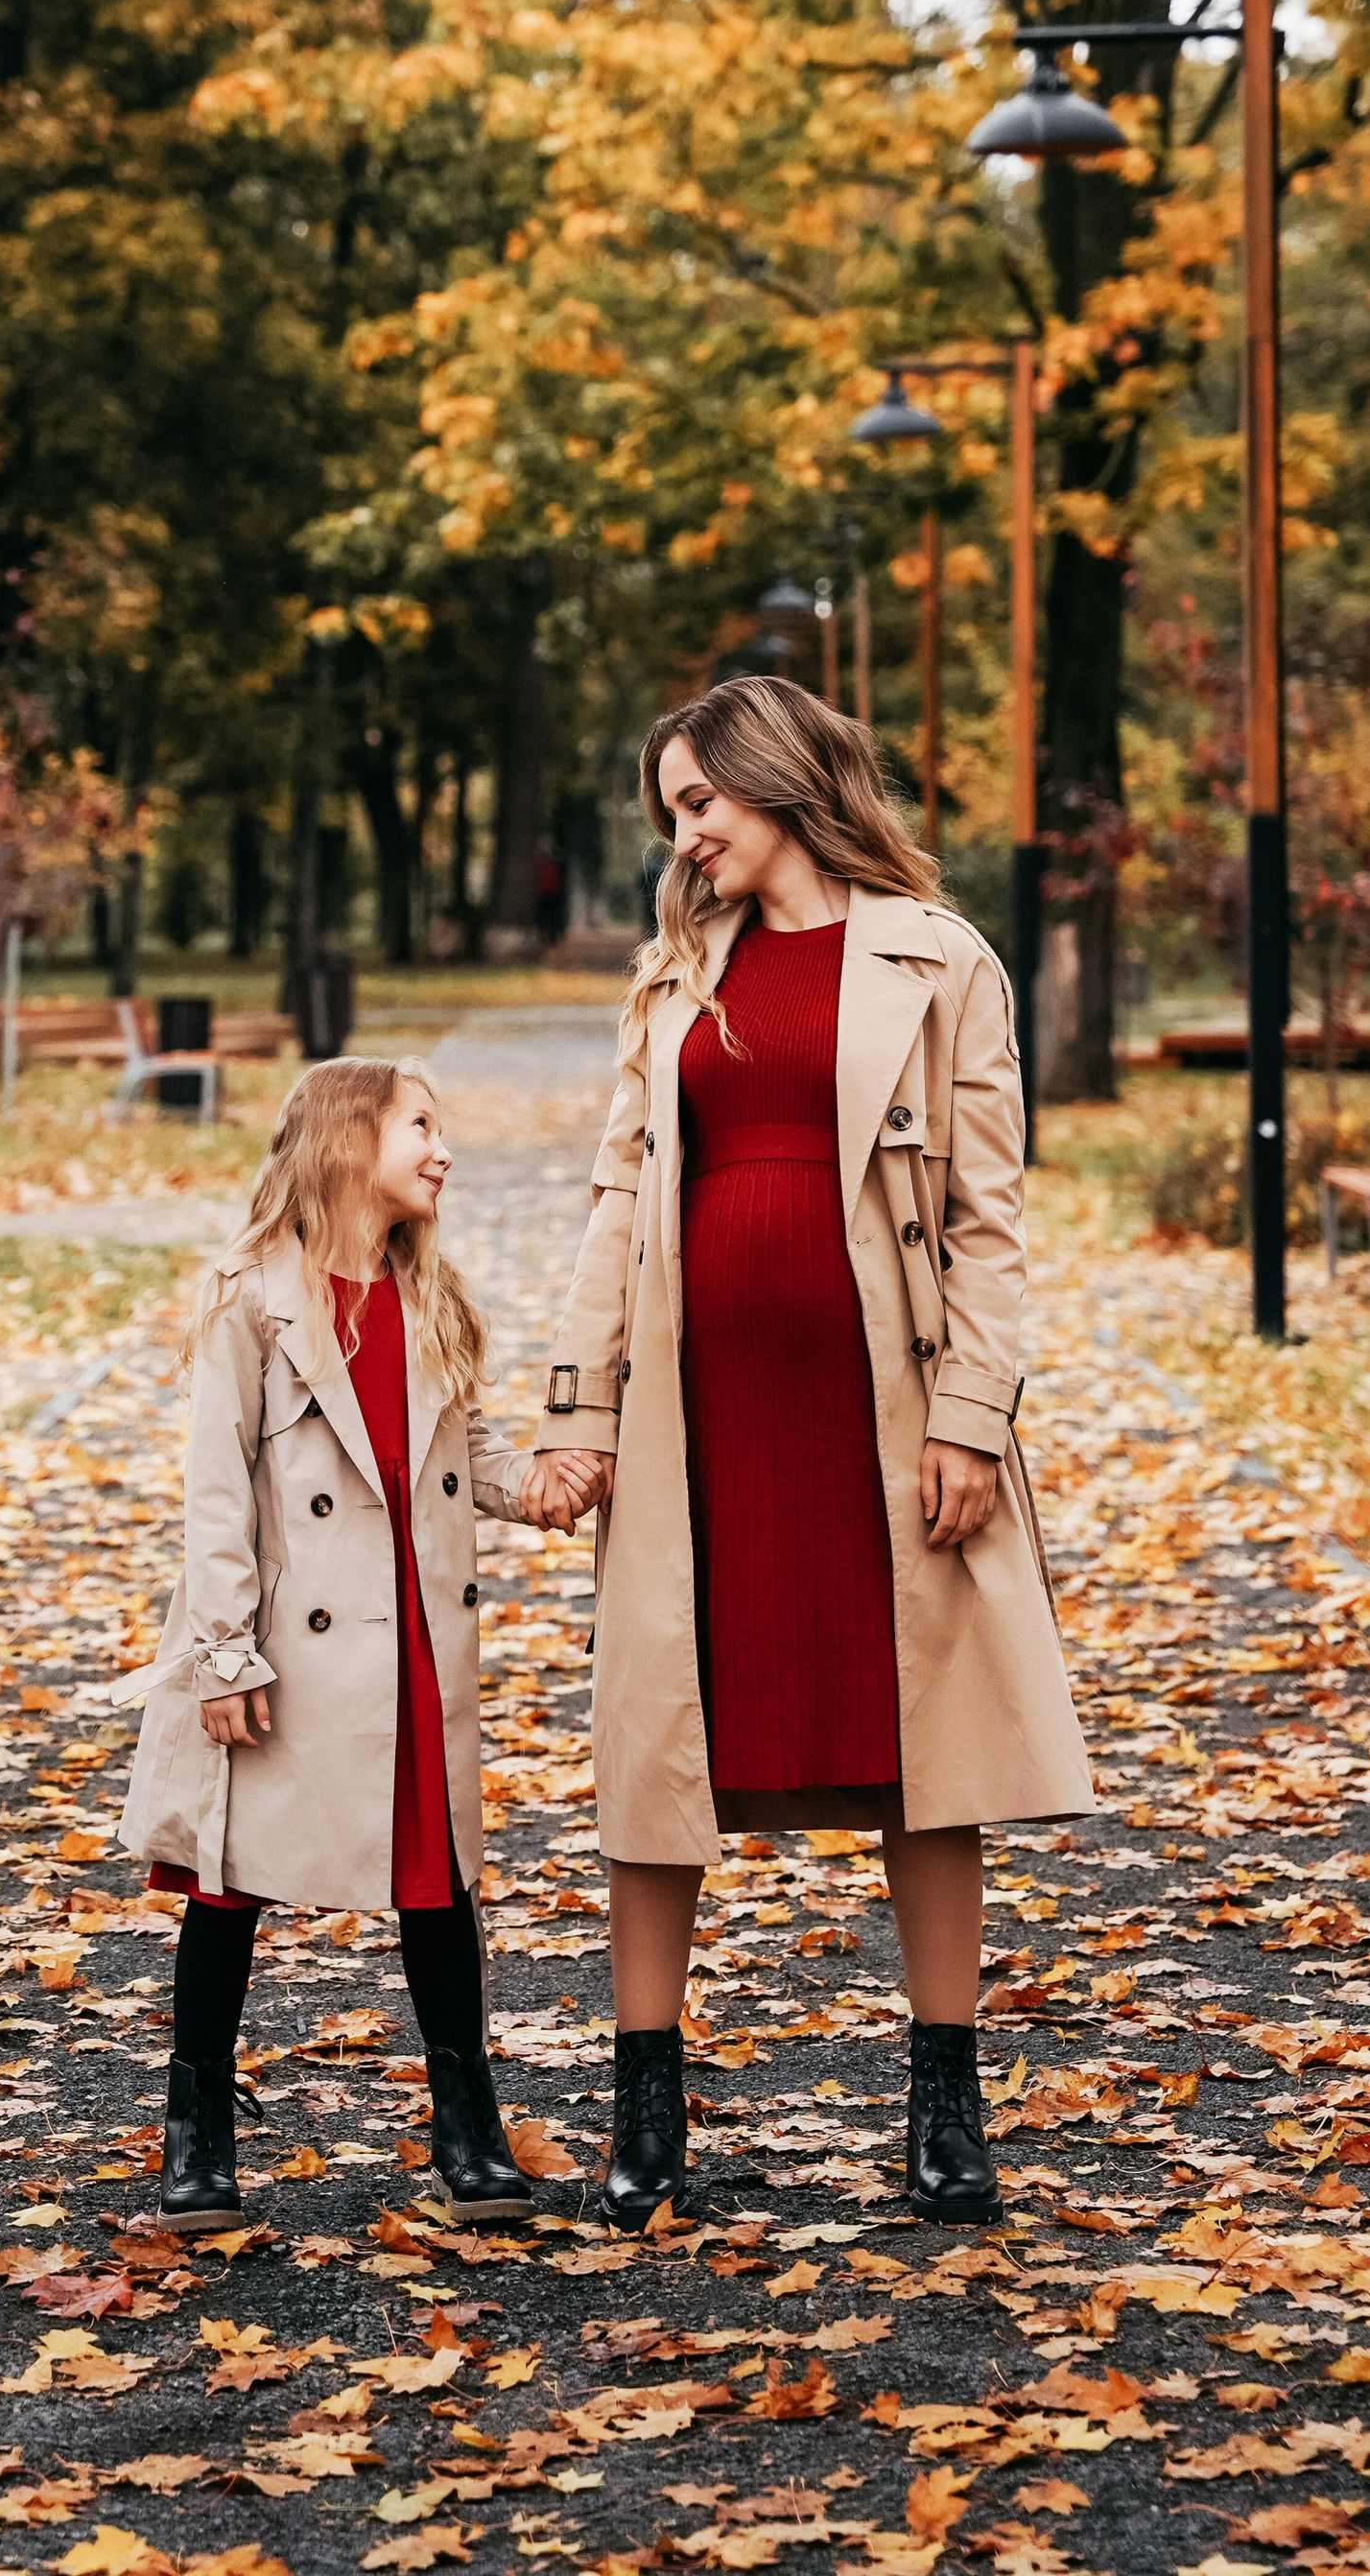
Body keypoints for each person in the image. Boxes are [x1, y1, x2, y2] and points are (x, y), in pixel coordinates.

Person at [541, 674, 1092, 2232]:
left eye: (702, 802)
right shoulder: (670, 980)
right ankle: (647, 2117)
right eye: (671, 812)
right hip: (696, 1418)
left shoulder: (939, 960)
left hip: (886, 1407)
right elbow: (610, 1205)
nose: (685, 833)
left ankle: (945, 2112)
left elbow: (991, 1222)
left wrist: (976, 1422)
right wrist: (579, 1416)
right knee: (659, 1755)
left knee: (928, 1757)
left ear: (780, 783)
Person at [119, 1057, 600, 2228]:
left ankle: (468, 2129)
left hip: (414, 1643)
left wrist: (538, 1483)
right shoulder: (251, 1296)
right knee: (228, 1886)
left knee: (438, 1887)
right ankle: (197, 2135)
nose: (443, 1151)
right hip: (288, 1642)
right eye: (421, 1127)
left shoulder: (423, 1296)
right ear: (347, 1143)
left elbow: (455, 1454)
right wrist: (224, 1654)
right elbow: (215, 1490)